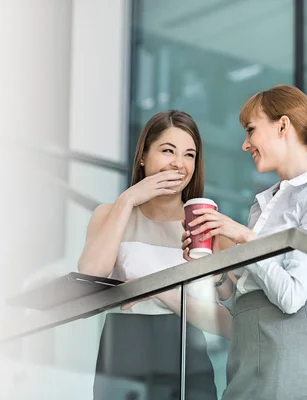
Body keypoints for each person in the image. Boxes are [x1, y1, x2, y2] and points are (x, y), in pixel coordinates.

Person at [182, 85, 307, 400]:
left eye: (251, 130)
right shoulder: (263, 204)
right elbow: (242, 296)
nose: (245, 145)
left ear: (282, 126)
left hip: (287, 347)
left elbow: (292, 295)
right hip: (247, 347)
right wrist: (215, 271)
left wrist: (244, 238)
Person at [78, 110, 218, 400]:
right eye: (168, 150)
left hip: (187, 352)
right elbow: (90, 274)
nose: (179, 164)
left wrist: (159, 291)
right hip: (124, 346)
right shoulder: (110, 214)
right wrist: (128, 199)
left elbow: (227, 321)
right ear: (143, 156)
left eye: (189, 155)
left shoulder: (206, 224)